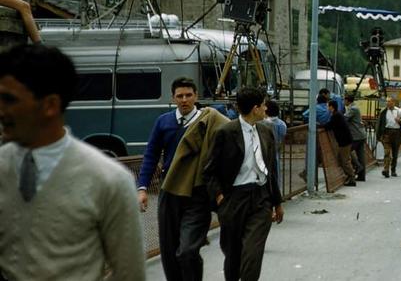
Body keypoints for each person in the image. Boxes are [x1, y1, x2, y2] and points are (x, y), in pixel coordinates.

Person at [0, 44, 144, 280]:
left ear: (50, 106)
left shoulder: (109, 180)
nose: (1, 110)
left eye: (9, 100)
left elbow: (130, 274)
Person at [138, 77, 228, 281]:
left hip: (198, 195)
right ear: (173, 98)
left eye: (189, 95)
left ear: (196, 96)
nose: (184, 100)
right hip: (169, 192)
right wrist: (142, 188)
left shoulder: (210, 121)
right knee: (169, 251)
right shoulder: (164, 122)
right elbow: (151, 155)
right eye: (180, 96)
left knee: (187, 250)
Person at [203, 88, 283, 281]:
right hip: (234, 200)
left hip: (261, 198)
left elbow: (271, 169)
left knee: (252, 252)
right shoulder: (226, 132)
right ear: (255, 109)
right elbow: (209, 170)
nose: (266, 108)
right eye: (263, 105)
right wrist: (220, 198)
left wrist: (277, 203)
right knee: (233, 254)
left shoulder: (266, 131)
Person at [375, 97, 401, 178]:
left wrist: (400, 120)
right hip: (386, 133)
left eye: (389, 101)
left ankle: (393, 170)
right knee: (386, 152)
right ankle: (386, 170)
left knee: (395, 153)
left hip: (396, 133)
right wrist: (378, 135)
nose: (387, 103)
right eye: (387, 101)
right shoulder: (383, 112)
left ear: (393, 102)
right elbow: (379, 124)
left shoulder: (398, 111)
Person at [326, 99, 356, 186]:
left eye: (328, 106)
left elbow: (329, 126)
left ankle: (351, 178)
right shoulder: (337, 114)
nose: (327, 108)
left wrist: (318, 125)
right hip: (344, 141)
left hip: (344, 142)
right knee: (341, 159)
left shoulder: (336, 116)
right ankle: (348, 176)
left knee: (345, 161)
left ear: (331, 107)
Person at [262, 99, 287, 189]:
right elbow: (282, 140)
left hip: (264, 152)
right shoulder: (282, 124)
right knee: (276, 174)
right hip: (276, 152)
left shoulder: (263, 123)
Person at [344, 93, 367, 182]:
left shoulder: (352, 109)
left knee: (346, 151)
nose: (343, 102)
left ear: (347, 100)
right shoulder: (354, 107)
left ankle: (358, 166)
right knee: (361, 155)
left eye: (344, 100)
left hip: (356, 135)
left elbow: (345, 118)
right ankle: (361, 176)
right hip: (361, 135)